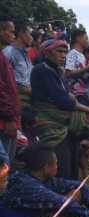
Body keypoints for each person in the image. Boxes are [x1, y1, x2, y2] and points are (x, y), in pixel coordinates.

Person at [29, 39, 89, 180]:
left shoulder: (58, 71)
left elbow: (69, 96)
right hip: (50, 125)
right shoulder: (42, 69)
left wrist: (72, 100)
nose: (63, 55)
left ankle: (73, 196)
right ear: (47, 53)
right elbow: (63, 100)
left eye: (65, 52)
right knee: (62, 167)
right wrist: (88, 109)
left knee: (72, 163)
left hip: (65, 125)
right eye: (59, 51)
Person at [0, 19, 21, 165]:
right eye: (11, 31)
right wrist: (8, 119)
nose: (14, 35)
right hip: (4, 121)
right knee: (4, 166)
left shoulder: (3, 56)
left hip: (10, 118)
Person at [65, 29, 89, 106]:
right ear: (78, 38)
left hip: (83, 92)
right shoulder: (72, 54)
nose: (88, 41)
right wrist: (88, 67)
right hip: (75, 94)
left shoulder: (81, 55)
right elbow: (68, 73)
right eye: (86, 38)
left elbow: (81, 74)